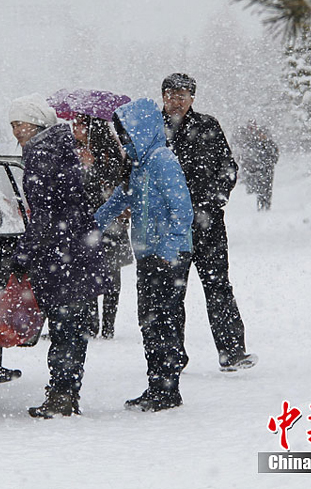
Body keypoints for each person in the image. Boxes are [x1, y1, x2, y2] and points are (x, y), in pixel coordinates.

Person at [8, 94, 109, 418]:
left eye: (20, 124)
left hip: (63, 258)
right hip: (76, 253)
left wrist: (24, 253)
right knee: (72, 329)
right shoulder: (60, 148)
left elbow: (44, 215)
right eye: (12, 125)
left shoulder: (42, 153)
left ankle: (62, 395)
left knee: (66, 330)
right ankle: (65, 393)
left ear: (36, 124)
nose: (16, 132)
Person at [95, 98, 193, 412]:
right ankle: (157, 384)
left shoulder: (162, 159)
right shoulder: (138, 167)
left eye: (127, 133)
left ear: (142, 130)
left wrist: (168, 249)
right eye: (121, 135)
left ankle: (168, 389)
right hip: (147, 255)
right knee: (149, 321)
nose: (124, 140)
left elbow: (183, 210)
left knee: (163, 320)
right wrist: (89, 225)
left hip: (169, 255)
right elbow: (117, 201)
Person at [161, 72, 258, 372]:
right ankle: (170, 358)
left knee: (218, 286)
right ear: (162, 96)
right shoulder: (153, 129)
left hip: (208, 225)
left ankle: (232, 352)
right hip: (170, 227)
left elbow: (228, 167)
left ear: (192, 98)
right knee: (170, 293)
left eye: (182, 95)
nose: (176, 101)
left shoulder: (208, 126)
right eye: (170, 94)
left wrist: (215, 200)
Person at [71, 112, 134, 339]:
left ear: (91, 129)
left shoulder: (111, 155)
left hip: (110, 223)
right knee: (88, 273)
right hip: (87, 223)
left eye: (79, 125)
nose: (74, 128)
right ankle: (91, 323)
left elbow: (112, 187)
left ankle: (108, 325)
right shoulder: (73, 152)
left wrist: (92, 167)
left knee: (112, 274)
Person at [235, 119, 279, 211]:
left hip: (267, 169)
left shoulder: (269, 144)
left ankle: (266, 205)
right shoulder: (255, 143)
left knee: (267, 187)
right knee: (260, 187)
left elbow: (275, 155)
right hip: (259, 168)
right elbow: (249, 154)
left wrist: (270, 163)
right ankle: (261, 204)